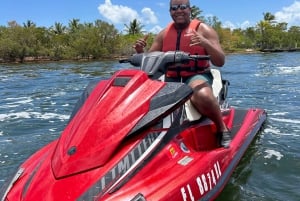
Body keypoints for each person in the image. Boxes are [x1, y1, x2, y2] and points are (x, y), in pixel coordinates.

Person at [134, 0, 231, 147]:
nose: (178, 10)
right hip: (171, 78)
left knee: (202, 95)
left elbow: (220, 61)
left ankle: (222, 128)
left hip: (195, 75)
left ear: (189, 9)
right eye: (174, 8)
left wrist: (205, 43)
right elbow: (150, 60)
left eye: (183, 7)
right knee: (140, 97)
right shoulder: (164, 34)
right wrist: (141, 52)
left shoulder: (204, 30)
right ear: (170, 11)